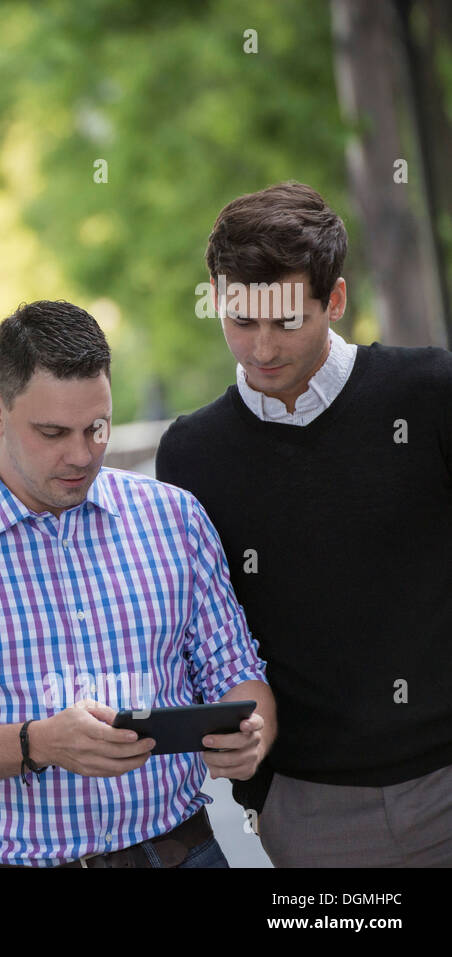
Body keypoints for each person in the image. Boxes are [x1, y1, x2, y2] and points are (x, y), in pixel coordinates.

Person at [0, 300, 275, 868]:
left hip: (180, 853)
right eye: (53, 432)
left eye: (96, 428)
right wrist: (38, 743)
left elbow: (237, 673)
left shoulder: (173, 518)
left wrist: (252, 732)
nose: (81, 455)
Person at [154, 182, 452, 866]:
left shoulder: (432, 395)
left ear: (335, 300)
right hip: (310, 813)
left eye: (286, 322)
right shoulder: (193, 454)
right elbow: (205, 628)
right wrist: (261, 786)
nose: (260, 349)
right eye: (239, 320)